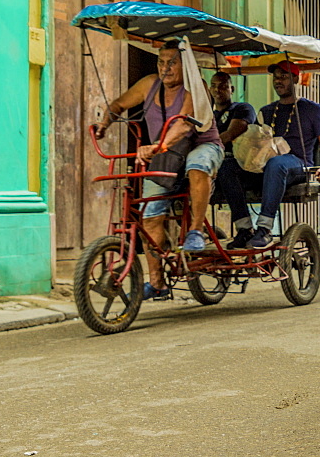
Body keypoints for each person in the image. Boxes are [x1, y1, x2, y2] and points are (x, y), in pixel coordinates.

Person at [95, 40, 224, 299]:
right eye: (161, 62)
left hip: (202, 146)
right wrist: (104, 123)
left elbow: (185, 126)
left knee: (197, 165)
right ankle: (157, 284)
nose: (165, 68)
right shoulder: (149, 85)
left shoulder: (193, 88)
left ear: (183, 64)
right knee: (150, 217)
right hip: (165, 155)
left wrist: (158, 145)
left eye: (172, 62)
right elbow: (119, 104)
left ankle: (195, 231)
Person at [216, 59, 320, 249]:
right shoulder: (266, 111)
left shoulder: (312, 110)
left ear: (296, 79)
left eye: (284, 77)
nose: (278, 81)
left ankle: (264, 229)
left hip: (297, 165)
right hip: (264, 166)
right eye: (276, 77)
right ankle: (244, 228)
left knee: (277, 164)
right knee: (227, 168)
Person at [210, 71, 256, 148]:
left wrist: (206, 147)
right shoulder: (210, 115)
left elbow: (230, 135)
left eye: (223, 86)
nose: (217, 90)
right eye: (213, 86)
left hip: (233, 157)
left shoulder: (243, 108)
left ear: (232, 89)